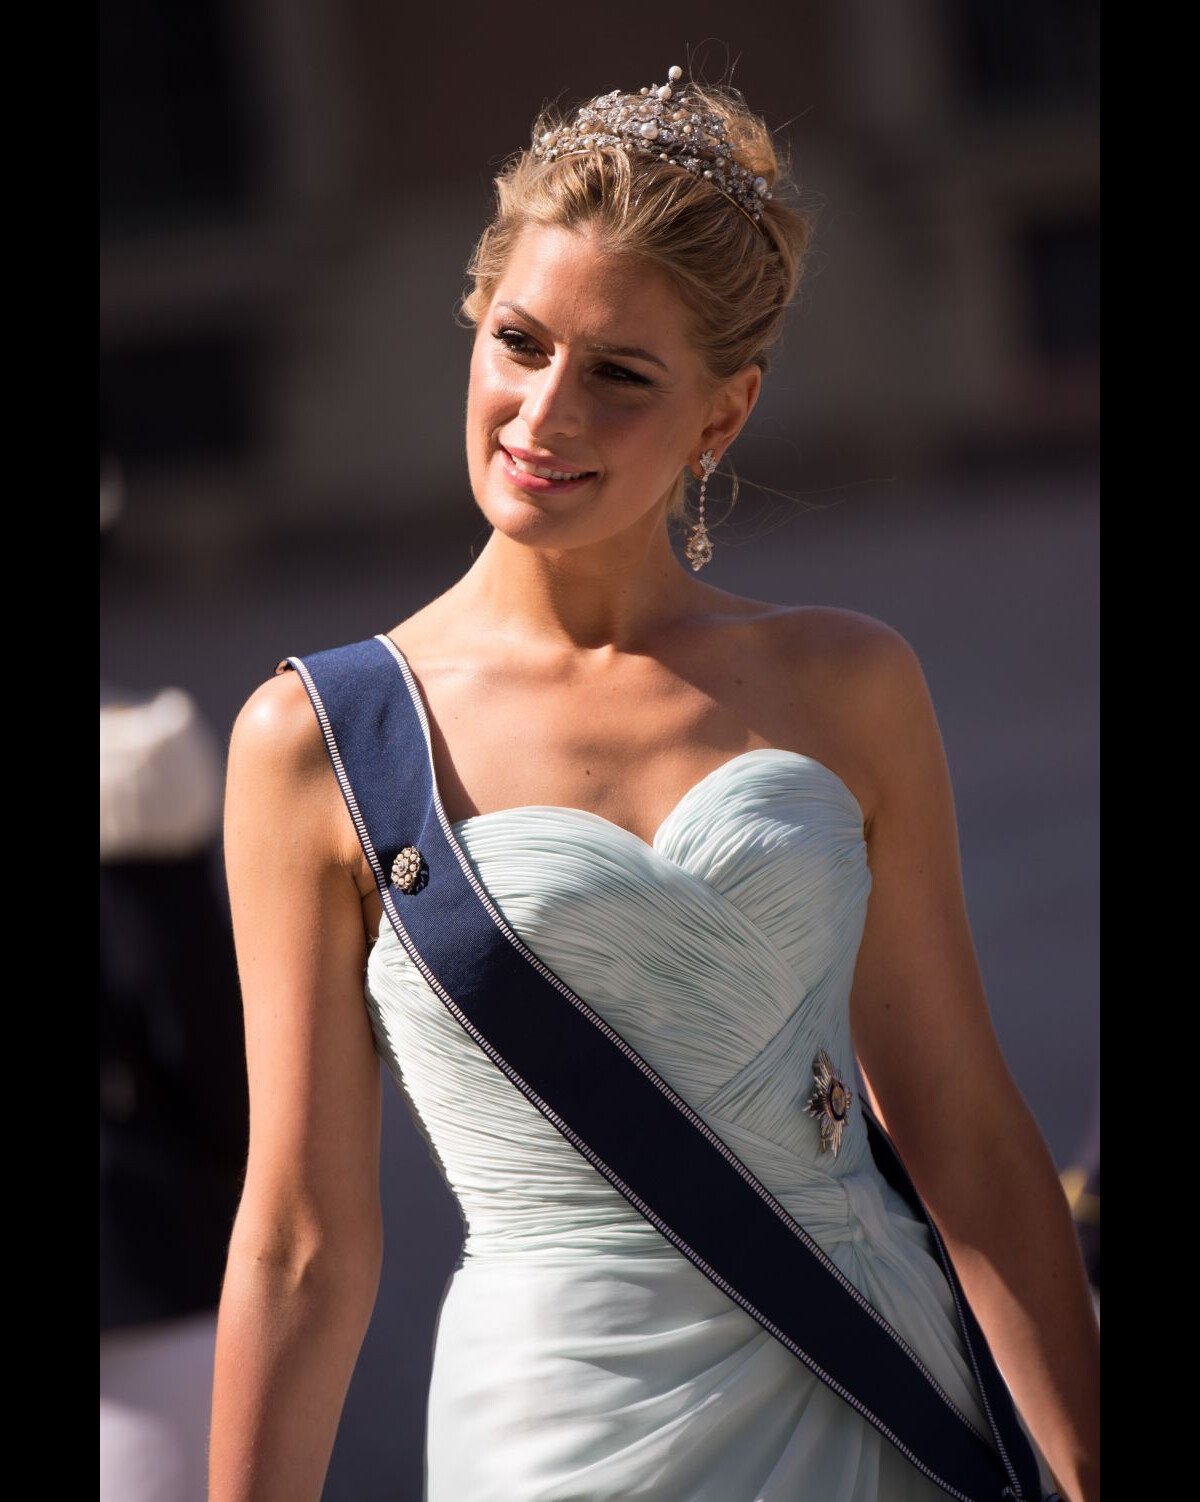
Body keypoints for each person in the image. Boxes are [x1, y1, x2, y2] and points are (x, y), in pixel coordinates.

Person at [209, 62, 1100, 1502]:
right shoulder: (318, 740)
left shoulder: (850, 682)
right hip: (554, 1426)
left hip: (885, 1398)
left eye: (619, 373)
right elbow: (302, 1240)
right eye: (518, 341)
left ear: (720, 418)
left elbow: (969, 1131)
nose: (542, 411)